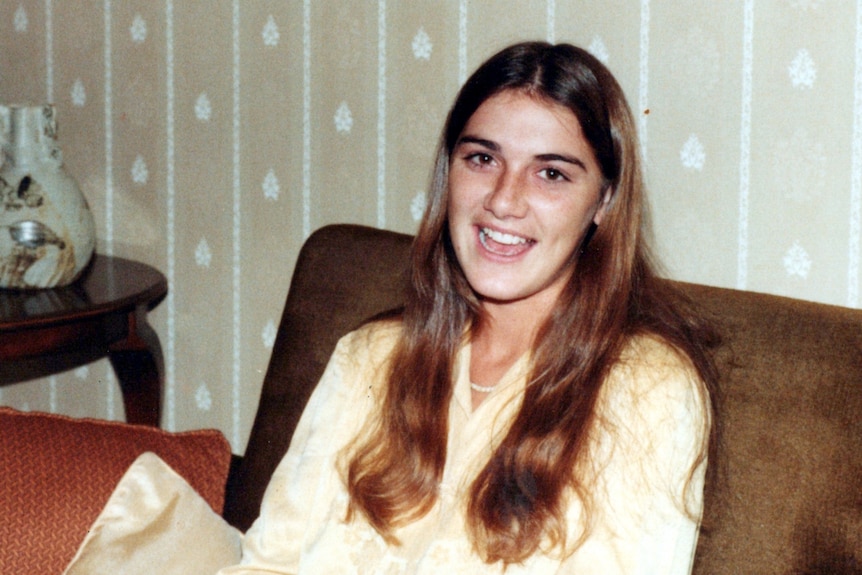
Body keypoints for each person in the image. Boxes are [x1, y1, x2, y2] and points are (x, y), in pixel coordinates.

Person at [220, 41, 719, 574]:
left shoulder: (647, 389)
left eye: (551, 173)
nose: (504, 200)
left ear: (604, 201)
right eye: (482, 159)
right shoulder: (370, 355)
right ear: (449, 172)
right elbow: (267, 563)